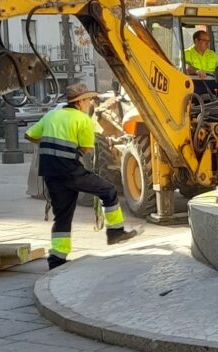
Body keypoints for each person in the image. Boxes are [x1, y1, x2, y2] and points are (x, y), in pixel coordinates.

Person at [25, 83, 138, 269]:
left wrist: (49, 144)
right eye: (88, 99)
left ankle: (56, 260)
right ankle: (115, 232)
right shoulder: (84, 119)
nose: (91, 102)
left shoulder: (51, 115)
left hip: (50, 174)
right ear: (80, 102)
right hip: (70, 171)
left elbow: (30, 136)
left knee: (62, 216)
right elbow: (86, 149)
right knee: (108, 191)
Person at [184, 30, 218, 99]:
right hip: (194, 83)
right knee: (193, 98)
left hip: (211, 83)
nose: (207, 43)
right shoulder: (186, 53)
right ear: (196, 41)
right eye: (205, 40)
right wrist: (197, 71)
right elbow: (186, 67)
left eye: (208, 41)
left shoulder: (212, 54)